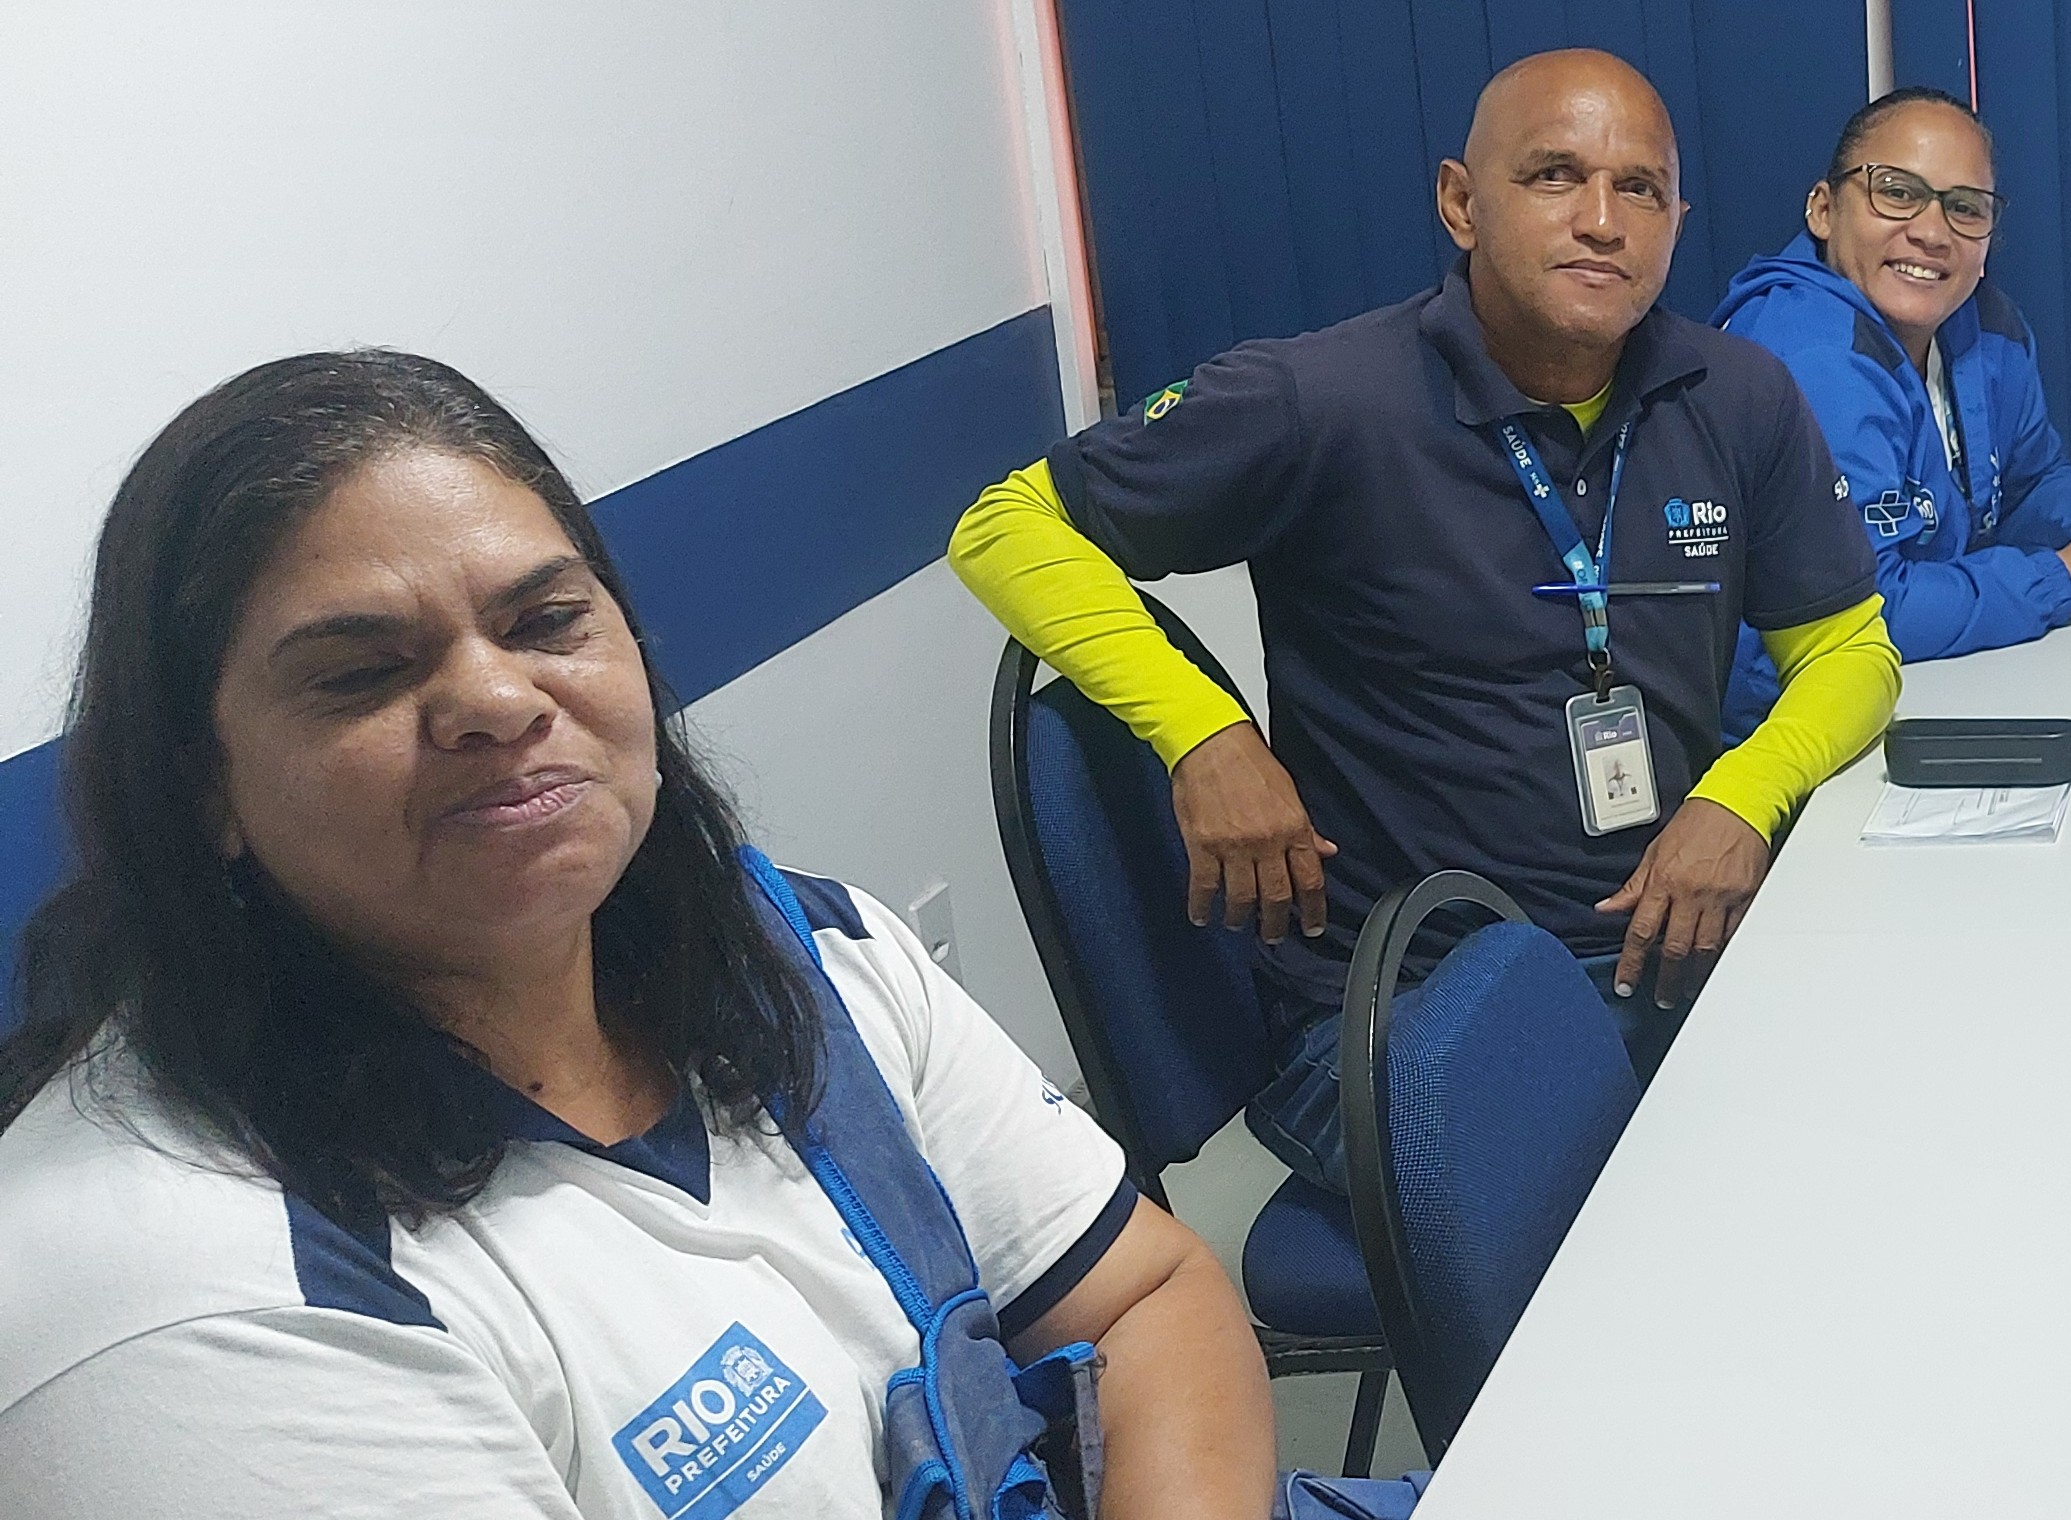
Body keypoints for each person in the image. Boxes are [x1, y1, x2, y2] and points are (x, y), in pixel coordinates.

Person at [0, 351, 1273, 1515]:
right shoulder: (189, 1305)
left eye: (545, 621)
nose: (497, 699)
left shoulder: (799, 950)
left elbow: (1141, 1296)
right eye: (360, 673)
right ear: (204, 784)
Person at [948, 50, 1900, 1189]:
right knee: (1733, 1191)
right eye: (1554, 175)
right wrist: (1204, 734)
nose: (1603, 220)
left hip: (1669, 955)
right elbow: (1004, 526)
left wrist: (1743, 796)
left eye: (1640, 188)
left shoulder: (1737, 396)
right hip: (1409, 1004)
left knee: (1904, 1114)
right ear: (1461, 201)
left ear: (1675, 222)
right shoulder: (1320, 399)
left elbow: (1852, 648)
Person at [1711, 86, 2071, 722]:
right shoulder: (1807, 356)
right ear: (1824, 210)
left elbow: (2029, 483)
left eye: (1964, 207)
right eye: (1896, 193)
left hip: (1931, 684)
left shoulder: (1984, 326)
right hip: (1799, 730)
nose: (1932, 232)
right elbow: (1867, 606)